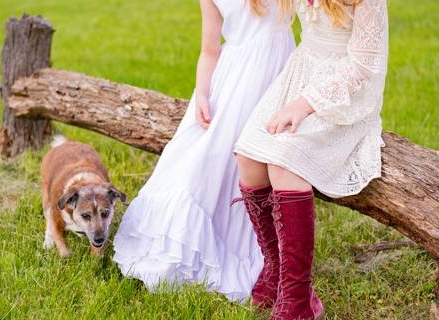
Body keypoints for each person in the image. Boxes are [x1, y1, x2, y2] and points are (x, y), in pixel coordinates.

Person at [113, 0, 295, 302]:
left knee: (249, 155)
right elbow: (209, 49)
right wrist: (202, 93)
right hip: (234, 78)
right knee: (205, 158)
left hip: (276, 74)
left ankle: (269, 245)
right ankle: (195, 238)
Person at [233, 0, 388, 318]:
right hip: (303, 70)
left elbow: (362, 67)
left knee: (284, 163)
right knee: (248, 157)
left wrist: (304, 105)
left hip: (345, 88)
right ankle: (276, 269)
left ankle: (297, 298)